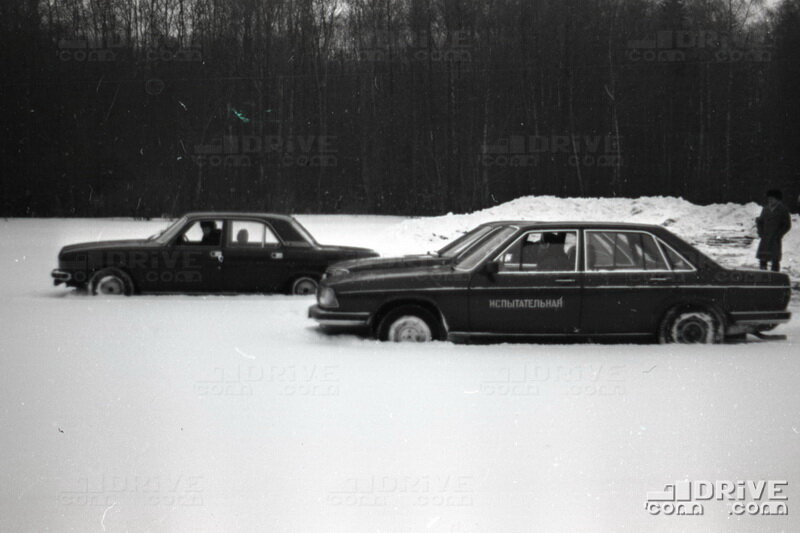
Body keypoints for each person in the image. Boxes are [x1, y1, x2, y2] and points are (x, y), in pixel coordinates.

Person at [756, 189, 791, 272]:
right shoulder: (765, 209)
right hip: (765, 237)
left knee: (775, 259)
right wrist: (761, 232)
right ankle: (763, 273)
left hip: (775, 238)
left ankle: (775, 275)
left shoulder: (783, 210)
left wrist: (779, 234)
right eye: (769, 198)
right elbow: (760, 221)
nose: (770, 200)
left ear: (777, 199)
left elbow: (787, 225)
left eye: (772, 198)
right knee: (763, 258)